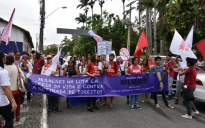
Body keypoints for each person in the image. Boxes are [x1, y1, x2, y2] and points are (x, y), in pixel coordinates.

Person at [5, 55, 25, 121]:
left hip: (7, 90)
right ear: (13, 61)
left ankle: (10, 116)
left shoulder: (4, 69)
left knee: (9, 104)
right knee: (17, 103)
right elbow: (23, 77)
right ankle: (17, 115)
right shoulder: (17, 67)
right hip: (17, 89)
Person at [0, 51, 17, 128]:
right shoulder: (2, 72)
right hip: (1, 102)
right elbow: (5, 87)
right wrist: (13, 102)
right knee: (9, 117)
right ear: (3, 59)